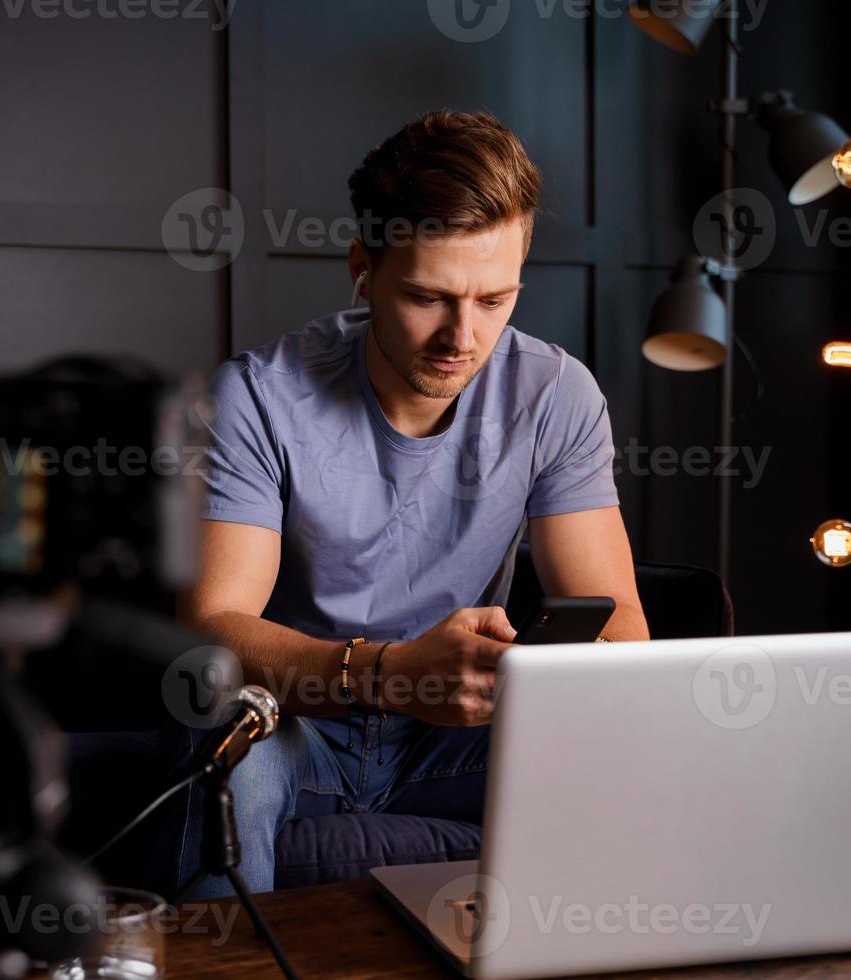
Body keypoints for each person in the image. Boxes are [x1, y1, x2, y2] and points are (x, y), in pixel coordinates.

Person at [156, 109, 649, 900]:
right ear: (363, 268)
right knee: (225, 749)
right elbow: (213, 627)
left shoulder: (556, 395)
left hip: (457, 741)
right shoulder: (255, 397)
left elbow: (620, 621)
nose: (463, 336)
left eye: (495, 300)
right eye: (428, 296)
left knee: (639, 750)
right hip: (295, 728)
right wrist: (389, 675)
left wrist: (537, 676)